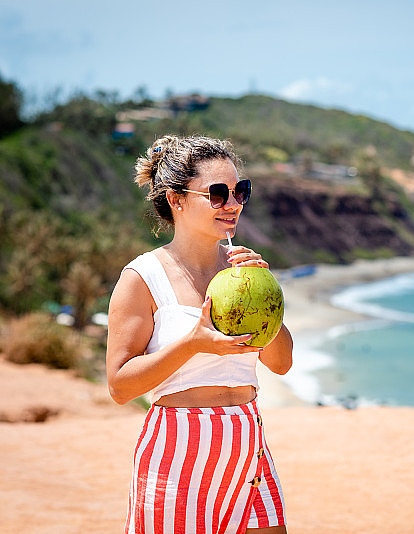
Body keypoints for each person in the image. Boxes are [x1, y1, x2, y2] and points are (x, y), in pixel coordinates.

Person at [106, 135, 292, 534]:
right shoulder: (143, 278)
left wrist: (266, 292)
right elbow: (120, 386)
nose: (234, 204)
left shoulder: (244, 272)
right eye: (218, 194)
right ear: (176, 200)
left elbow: (281, 363)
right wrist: (192, 343)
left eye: (241, 191)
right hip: (179, 453)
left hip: (247, 443)